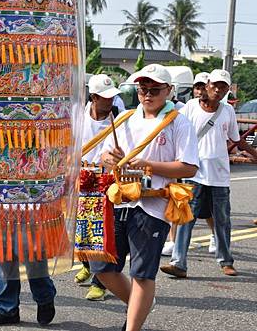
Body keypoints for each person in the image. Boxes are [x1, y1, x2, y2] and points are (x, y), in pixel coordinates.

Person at [95, 64, 199, 331]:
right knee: (102, 267)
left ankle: (133, 326)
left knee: (142, 273)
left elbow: (188, 167)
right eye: (143, 89)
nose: (148, 95)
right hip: (121, 201)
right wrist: (112, 159)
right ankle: (140, 305)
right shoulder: (126, 117)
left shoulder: (177, 121)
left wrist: (147, 165)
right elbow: (105, 157)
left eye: (155, 89)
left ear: (169, 91)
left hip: (153, 205)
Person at [161, 69, 257, 278]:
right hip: (194, 173)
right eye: (215, 85)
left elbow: (236, 139)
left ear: (227, 90)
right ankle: (179, 263)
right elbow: (176, 133)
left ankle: (226, 261)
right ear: (207, 86)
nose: (218, 90)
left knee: (222, 219)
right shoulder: (191, 108)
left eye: (223, 87)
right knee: (187, 218)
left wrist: (253, 153)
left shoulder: (228, 111)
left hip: (219, 175)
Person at [75, 74, 122, 301]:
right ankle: (87, 262)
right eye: (105, 97)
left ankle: (99, 282)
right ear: (93, 97)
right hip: (80, 180)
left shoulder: (120, 120)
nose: (110, 101)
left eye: (112, 96)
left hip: (104, 181)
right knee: (79, 230)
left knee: (101, 234)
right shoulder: (78, 117)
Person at [161, 71, 214, 256]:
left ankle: (215, 236)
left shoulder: (221, 109)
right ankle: (174, 242)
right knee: (178, 200)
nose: (200, 90)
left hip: (206, 168)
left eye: (203, 86)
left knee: (206, 210)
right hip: (184, 163)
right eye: (197, 87)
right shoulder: (187, 107)